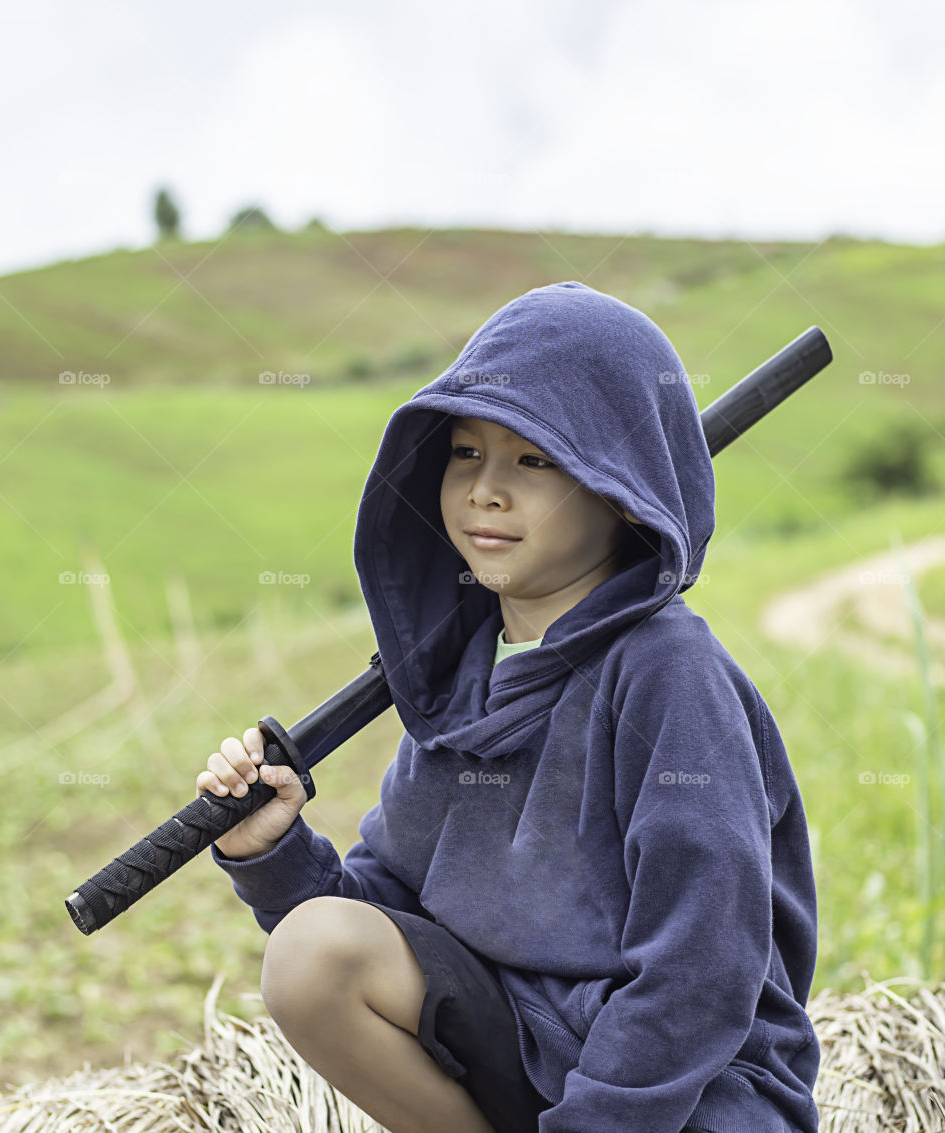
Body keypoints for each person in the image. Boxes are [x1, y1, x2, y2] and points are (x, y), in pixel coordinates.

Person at [199, 280, 821, 1133]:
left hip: (689, 1095)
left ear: (619, 486)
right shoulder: (462, 676)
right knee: (312, 952)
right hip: (525, 1058)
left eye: (535, 459)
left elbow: (701, 968)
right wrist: (276, 855)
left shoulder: (668, 674)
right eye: (465, 452)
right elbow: (389, 913)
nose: (487, 489)